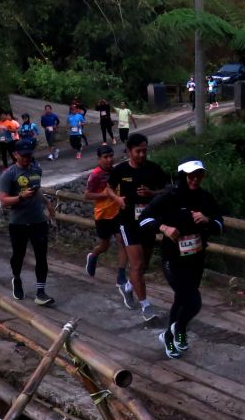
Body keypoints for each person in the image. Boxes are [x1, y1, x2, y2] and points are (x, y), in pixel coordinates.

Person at [140, 159, 223, 358]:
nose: (195, 179)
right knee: (193, 302)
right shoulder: (170, 197)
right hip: (173, 259)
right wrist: (164, 228)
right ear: (183, 176)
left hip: (196, 258)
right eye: (191, 175)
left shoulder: (205, 198)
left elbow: (220, 225)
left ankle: (171, 335)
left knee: (182, 299)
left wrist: (208, 220)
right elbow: (143, 219)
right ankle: (177, 329)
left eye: (199, 174)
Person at [114, 132, 168, 320]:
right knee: (136, 264)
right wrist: (117, 199)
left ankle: (128, 287)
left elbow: (167, 190)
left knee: (143, 265)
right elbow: (108, 188)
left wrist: (152, 193)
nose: (142, 155)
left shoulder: (154, 169)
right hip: (127, 223)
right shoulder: (120, 170)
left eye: (145, 151)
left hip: (148, 223)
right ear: (129, 151)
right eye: (138, 151)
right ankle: (146, 306)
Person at [0, 141, 56, 306]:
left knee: (41, 255)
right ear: (15, 154)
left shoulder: (36, 170)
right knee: (19, 255)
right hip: (18, 222)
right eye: (23, 156)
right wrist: (20, 197)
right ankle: (16, 278)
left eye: (29, 155)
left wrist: (47, 203)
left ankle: (41, 292)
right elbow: (3, 201)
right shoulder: (9, 174)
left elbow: (37, 191)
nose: (26, 158)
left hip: (38, 220)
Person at [83, 145, 125, 278]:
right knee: (104, 246)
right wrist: (105, 195)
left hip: (118, 212)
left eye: (111, 156)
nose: (109, 159)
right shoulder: (95, 175)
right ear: (99, 159)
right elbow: (87, 195)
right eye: (105, 157)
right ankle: (93, 255)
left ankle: (121, 275)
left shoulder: (116, 171)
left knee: (122, 241)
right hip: (102, 214)